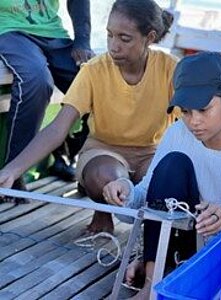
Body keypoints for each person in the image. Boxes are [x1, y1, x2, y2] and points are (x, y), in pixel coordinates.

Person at [103, 51, 221, 299]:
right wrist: (125, 192)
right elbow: (147, 196)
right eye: (185, 112)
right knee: (172, 164)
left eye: (203, 109)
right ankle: (152, 285)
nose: (194, 121)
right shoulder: (178, 133)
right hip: (184, 248)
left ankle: (157, 272)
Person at [0, 0, 179, 233]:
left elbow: (190, 125)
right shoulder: (94, 69)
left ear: (150, 38)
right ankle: (102, 211)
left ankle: (152, 231)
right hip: (105, 152)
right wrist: (12, 170)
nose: (113, 46)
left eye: (124, 39)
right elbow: (57, 128)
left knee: (162, 179)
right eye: (109, 35)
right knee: (107, 176)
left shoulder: (171, 69)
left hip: (150, 153)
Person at [0, 0, 94, 202]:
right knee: (36, 79)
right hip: (8, 28)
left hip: (52, 31)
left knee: (94, 84)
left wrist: (82, 41)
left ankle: (85, 169)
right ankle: (12, 176)